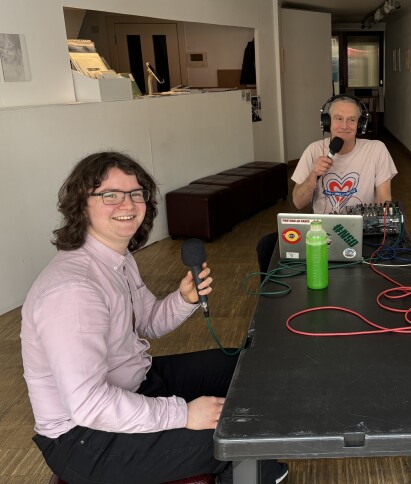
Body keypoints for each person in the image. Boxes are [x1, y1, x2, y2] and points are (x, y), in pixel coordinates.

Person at [21, 152, 288, 484]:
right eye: (110, 195)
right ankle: (252, 471)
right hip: (84, 440)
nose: (128, 204)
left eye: (136, 193)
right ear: (81, 205)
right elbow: (89, 405)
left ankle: (259, 468)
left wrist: (183, 299)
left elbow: (148, 322)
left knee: (245, 365)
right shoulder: (73, 291)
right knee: (238, 435)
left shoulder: (116, 258)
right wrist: (183, 414)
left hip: (136, 382)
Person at [256, 95, 398, 273]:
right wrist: (314, 174)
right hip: (320, 232)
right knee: (266, 245)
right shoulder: (313, 150)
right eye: (338, 118)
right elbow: (298, 202)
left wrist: (379, 224)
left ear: (360, 124)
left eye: (351, 120)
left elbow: (384, 199)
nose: (344, 125)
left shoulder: (376, 149)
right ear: (327, 122)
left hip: (361, 232)